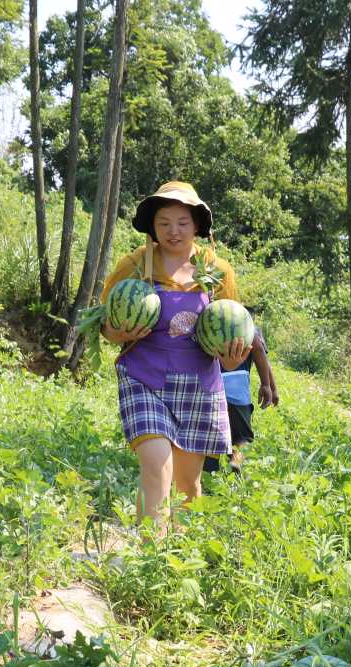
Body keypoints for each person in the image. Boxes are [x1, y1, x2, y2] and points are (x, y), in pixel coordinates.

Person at [99, 181, 250, 533]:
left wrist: (230, 358)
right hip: (144, 377)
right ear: (152, 225)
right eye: (164, 222)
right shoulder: (135, 265)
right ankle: (151, 556)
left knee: (188, 486)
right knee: (156, 464)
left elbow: (231, 339)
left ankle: (180, 548)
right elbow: (105, 325)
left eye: (182, 222)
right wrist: (119, 333)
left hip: (198, 384)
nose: (173, 231)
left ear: (197, 224)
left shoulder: (217, 271)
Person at [203, 328, 278, 475]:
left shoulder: (208, 318)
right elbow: (260, 354)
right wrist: (269, 386)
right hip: (237, 387)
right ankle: (235, 459)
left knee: (211, 433)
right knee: (241, 437)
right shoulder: (249, 325)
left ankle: (209, 473)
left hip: (211, 383)